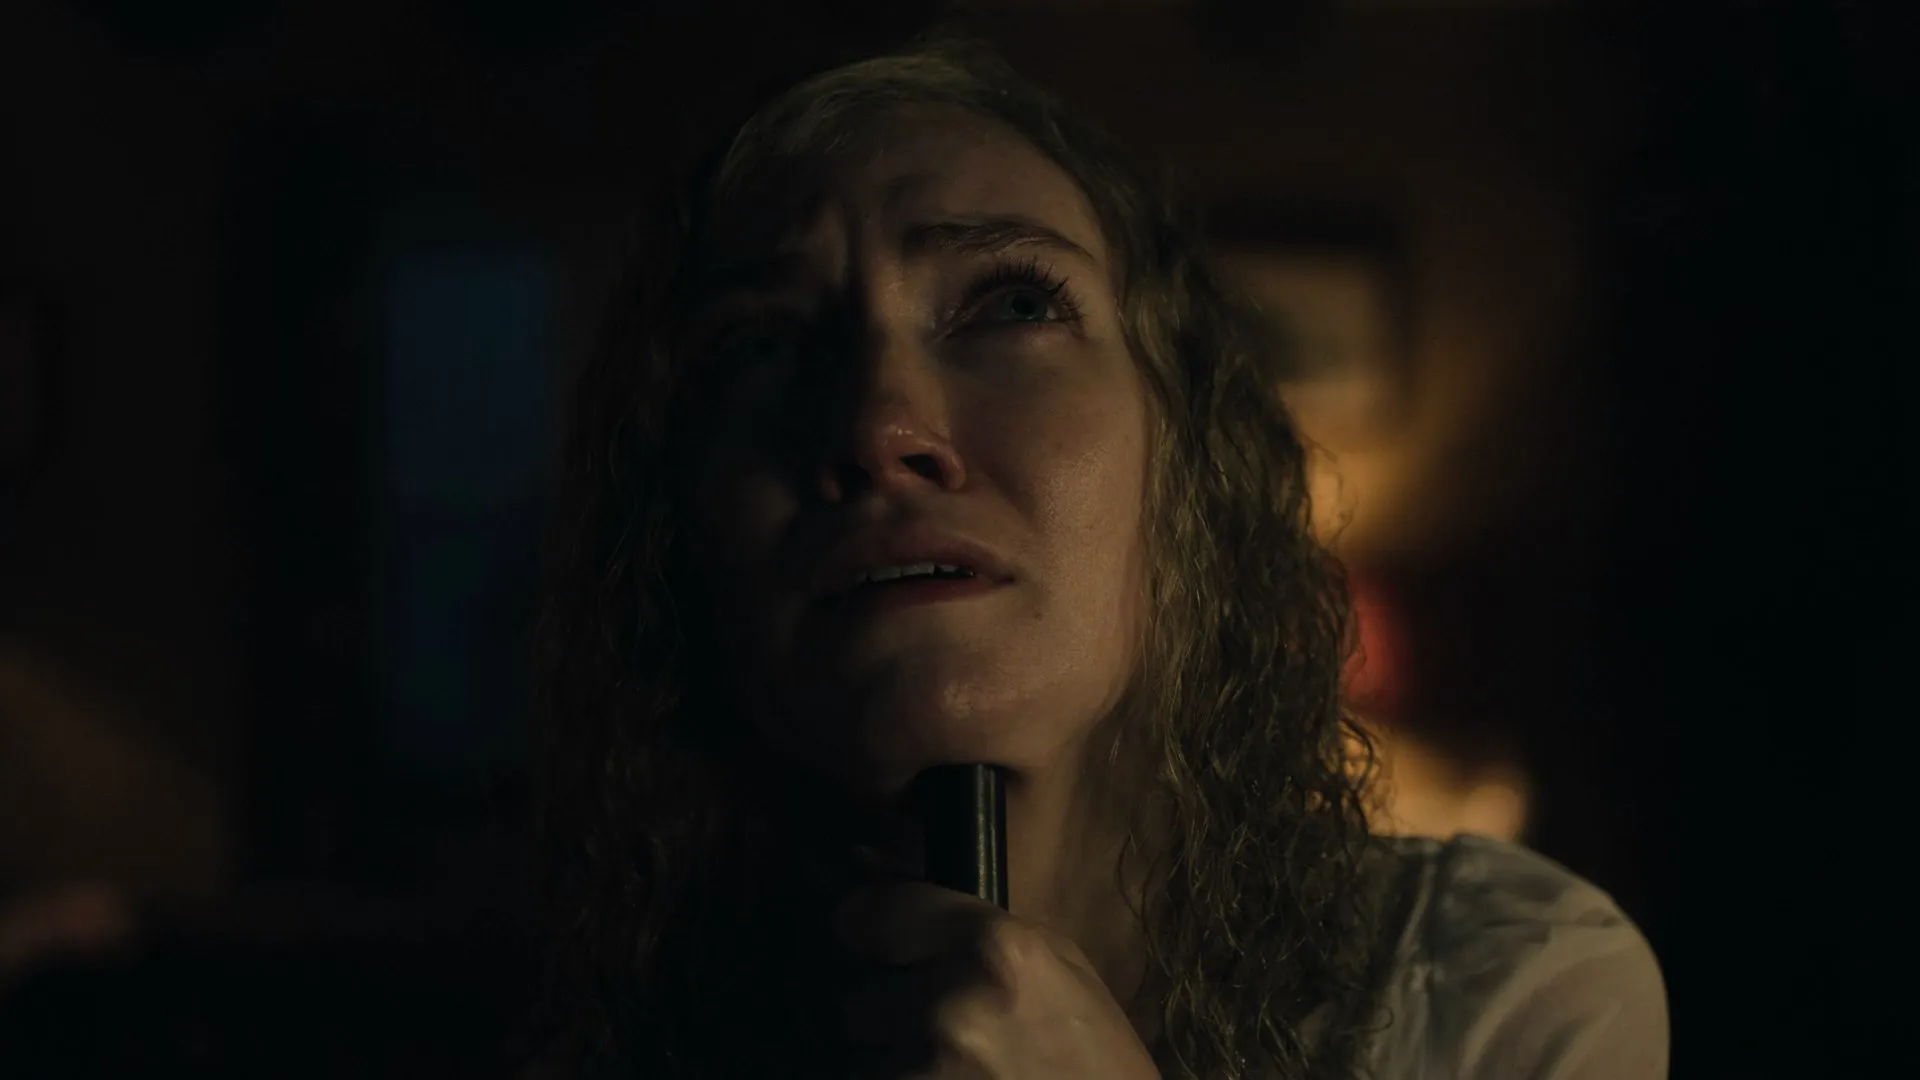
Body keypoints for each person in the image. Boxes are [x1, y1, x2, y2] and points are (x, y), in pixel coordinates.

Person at [528, 41, 1667, 1080]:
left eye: (1013, 302)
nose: (877, 427)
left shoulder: (1493, 996)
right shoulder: (572, 1028)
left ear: (1183, 460)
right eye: (761, 345)